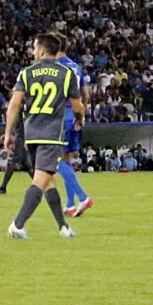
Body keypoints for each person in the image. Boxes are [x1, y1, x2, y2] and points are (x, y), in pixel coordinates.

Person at [5, 32, 80, 240]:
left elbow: (14, 104)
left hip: (31, 135)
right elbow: (77, 105)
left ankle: (63, 227)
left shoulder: (26, 73)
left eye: (34, 47)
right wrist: (80, 118)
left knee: (49, 181)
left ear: (43, 50)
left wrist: (7, 133)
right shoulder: (66, 74)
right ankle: (17, 225)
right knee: (40, 180)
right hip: (51, 135)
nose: (33, 51)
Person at [56, 49, 94, 219]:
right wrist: (80, 114)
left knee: (55, 159)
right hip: (76, 117)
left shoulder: (55, 67)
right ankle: (70, 204)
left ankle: (83, 197)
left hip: (61, 117)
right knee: (66, 160)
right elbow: (86, 94)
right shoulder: (76, 67)